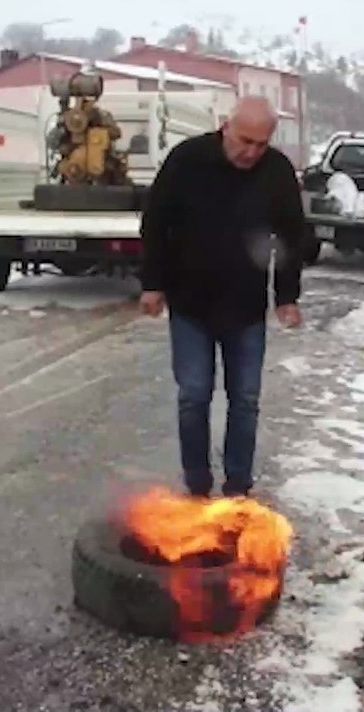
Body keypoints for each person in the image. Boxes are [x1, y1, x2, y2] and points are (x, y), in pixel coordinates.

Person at [138, 96, 306, 498]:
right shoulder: (187, 161)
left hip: (245, 307)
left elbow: (291, 236)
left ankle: (237, 486)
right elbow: (155, 223)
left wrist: (286, 296)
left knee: (245, 400)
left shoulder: (276, 172)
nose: (251, 152)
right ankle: (197, 483)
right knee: (194, 396)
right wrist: (152, 283)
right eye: (245, 141)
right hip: (190, 303)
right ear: (226, 127)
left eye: (261, 144)